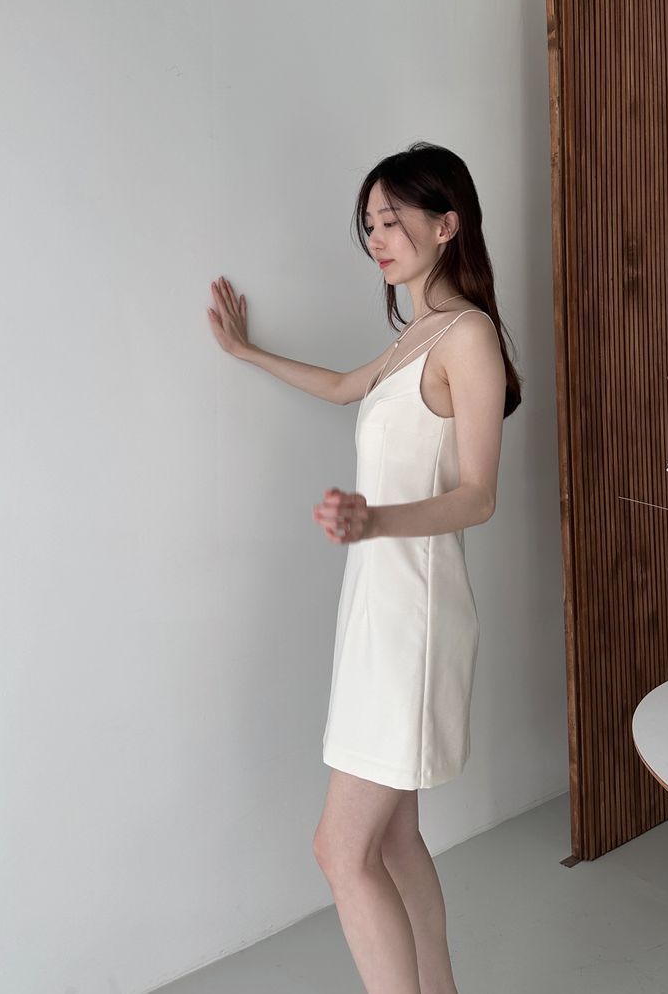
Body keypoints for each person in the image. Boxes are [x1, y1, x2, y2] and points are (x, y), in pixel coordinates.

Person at [207, 141, 521, 994]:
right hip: (378, 608)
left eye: (391, 220)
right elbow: (344, 386)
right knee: (393, 839)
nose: (376, 238)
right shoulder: (416, 335)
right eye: (369, 224)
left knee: (339, 851)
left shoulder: (468, 336)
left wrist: (374, 519)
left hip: (414, 616)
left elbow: (478, 496)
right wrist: (247, 352)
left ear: (447, 225)